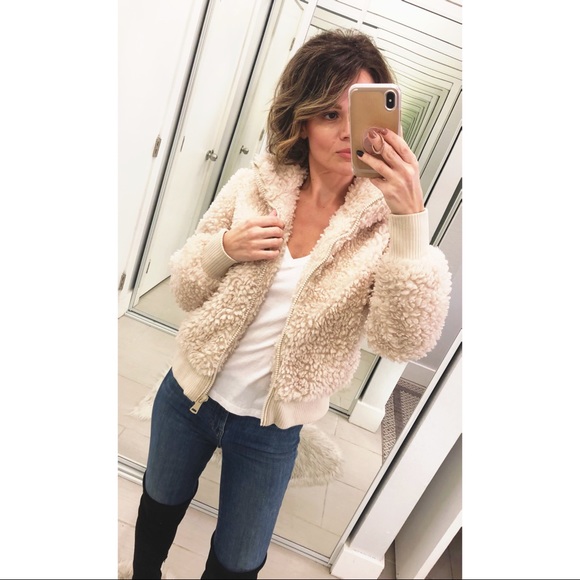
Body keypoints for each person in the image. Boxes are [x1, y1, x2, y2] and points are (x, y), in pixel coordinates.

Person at [130, 28, 452, 580]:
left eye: (359, 114)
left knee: (239, 560)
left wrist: (409, 221)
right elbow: (185, 288)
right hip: (187, 398)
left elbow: (404, 341)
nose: (347, 132)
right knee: (158, 506)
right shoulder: (251, 187)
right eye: (329, 114)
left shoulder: (385, 229)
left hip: (271, 432)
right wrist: (224, 249)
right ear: (302, 121)